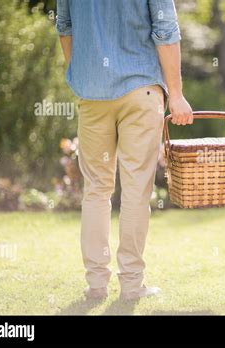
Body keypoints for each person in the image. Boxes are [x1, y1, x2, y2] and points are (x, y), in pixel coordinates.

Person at [56, 0, 193, 301]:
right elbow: (166, 30)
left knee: (96, 190)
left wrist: (84, 75)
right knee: (136, 191)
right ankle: (131, 285)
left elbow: (65, 27)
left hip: (93, 95)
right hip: (140, 89)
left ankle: (96, 285)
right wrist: (177, 94)